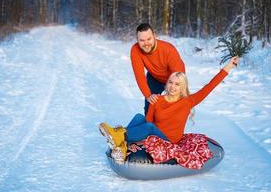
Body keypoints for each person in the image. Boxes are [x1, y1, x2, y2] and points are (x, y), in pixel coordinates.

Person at [99, 56, 239, 163]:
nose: (172, 87)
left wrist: (228, 67)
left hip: (170, 140)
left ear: (182, 87)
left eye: (177, 84)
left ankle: (119, 135)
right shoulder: (157, 99)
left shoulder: (187, 102)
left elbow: (210, 86)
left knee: (147, 127)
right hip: (153, 134)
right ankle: (121, 144)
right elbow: (147, 122)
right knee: (138, 117)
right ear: (166, 84)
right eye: (170, 82)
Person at [130, 23, 185, 115]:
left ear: (154, 36)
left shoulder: (168, 49)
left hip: (175, 79)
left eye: (149, 39)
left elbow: (179, 75)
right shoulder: (135, 50)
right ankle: (148, 127)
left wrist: (171, 94)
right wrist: (148, 96)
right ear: (137, 40)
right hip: (154, 77)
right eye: (142, 40)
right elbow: (140, 76)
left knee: (173, 108)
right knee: (150, 105)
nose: (146, 43)